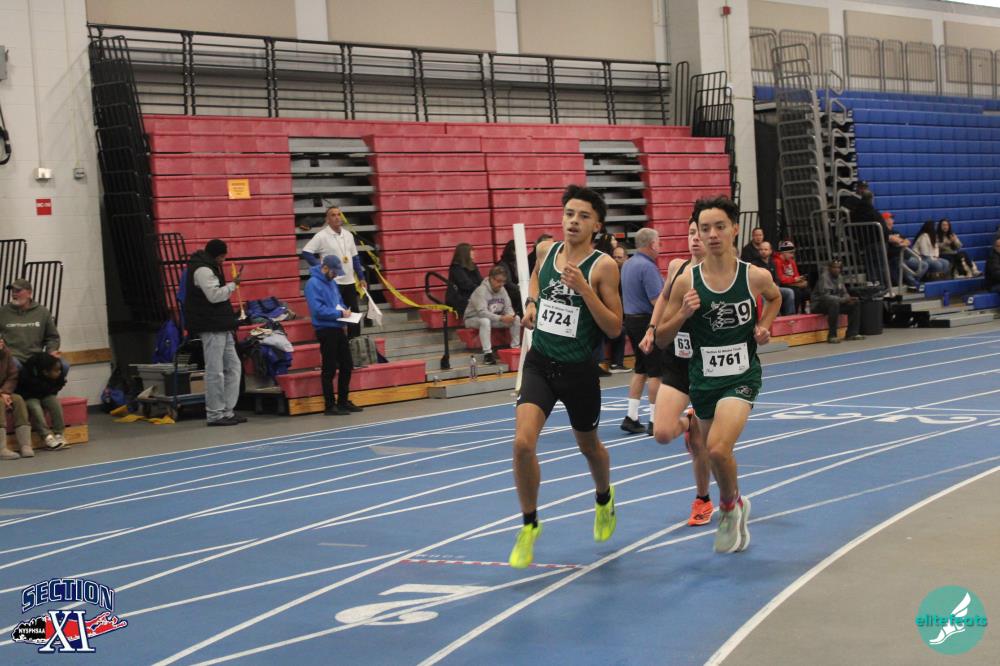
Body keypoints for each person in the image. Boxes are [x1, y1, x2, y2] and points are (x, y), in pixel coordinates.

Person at [655, 196, 781, 553]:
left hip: (742, 376)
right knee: (714, 456)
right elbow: (662, 338)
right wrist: (682, 313)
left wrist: (764, 325)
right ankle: (735, 500)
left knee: (718, 448)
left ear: (734, 229)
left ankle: (726, 509)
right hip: (703, 379)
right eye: (705, 228)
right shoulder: (687, 282)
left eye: (719, 227)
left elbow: (774, 298)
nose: (711, 235)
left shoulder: (754, 276)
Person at [508, 184, 623, 569]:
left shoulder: (603, 266)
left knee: (589, 447)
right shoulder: (547, 250)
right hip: (540, 363)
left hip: (579, 372)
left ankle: (604, 497)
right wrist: (531, 302)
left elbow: (614, 327)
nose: (573, 221)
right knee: (522, 443)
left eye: (583, 216)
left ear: (596, 225)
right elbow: (536, 277)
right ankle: (529, 524)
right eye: (569, 213)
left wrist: (585, 290)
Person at [640, 218, 714, 527]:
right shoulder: (676, 268)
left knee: (705, 446)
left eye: (700, 233)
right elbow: (664, 299)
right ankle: (689, 421)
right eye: (691, 233)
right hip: (678, 360)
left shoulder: (719, 274)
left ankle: (703, 499)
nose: (695, 238)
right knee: (661, 433)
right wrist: (652, 328)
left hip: (709, 366)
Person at [184, 239, 245, 427]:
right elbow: (214, 296)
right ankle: (215, 414)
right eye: (223, 256)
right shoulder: (203, 270)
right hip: (210, 326)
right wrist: (233, 285)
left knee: (233, 367)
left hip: (221, 325)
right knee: (215, 371)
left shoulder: (210, 266)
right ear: (218, 255)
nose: (224, 260)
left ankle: (227, 410)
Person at [620, 228, 664, 436]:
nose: (660, 246)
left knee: (641, 369)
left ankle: (631, 416)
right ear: (652, 244)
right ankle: (655, 420)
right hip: (647, 322)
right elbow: (657, 301)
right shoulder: (648, 267)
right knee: (656, 371)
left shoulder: (628, 264)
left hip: (630, 319)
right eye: (658, 242)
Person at [305, 255, 362, 415]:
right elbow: (317, 310)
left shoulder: (332, 282)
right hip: (325, 329)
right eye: (334, 272)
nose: (336, 275)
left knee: (347, 365)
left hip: (338, 327)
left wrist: (345, 311)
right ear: (325, 268)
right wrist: (339, 313)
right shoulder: (312, 284)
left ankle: (343, 401)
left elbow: (339, 302)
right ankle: (329, 405)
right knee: (329, 368)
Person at [301, 206, 367, 338]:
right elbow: (306, 252)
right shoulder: (321, 236)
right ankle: (339, 339)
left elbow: (355, 257)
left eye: (338, 214)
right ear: (327, 219)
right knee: (336, 311)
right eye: (333, 215)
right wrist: (322, 268)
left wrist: (361, 277)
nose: (337, 217)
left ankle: (355, 341)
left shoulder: (348, 235)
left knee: (353, 312)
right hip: (333, 282)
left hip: (349, 281)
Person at [464, 264, 521, 365]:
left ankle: (516, 348)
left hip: (493, 318)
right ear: (491, 278)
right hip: (473, 318)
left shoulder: (502, 290)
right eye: (498, 281)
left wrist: (510, 315)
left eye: (503, 281)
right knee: (485, 321)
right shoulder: (481, 291)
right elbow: (482, 313)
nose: (501, 284)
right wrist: (501, 318)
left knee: (516, 319)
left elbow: (508, 307)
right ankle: (488, 354)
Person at [0, 279, 62, 366]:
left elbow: (52, 337)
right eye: (13, 291)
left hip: (36, 358)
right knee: (14, 364)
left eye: (18, 291)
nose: (14, 294)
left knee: (64, 366)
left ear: (29, 293)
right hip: (12, 356)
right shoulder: (3, 311)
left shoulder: (42, 312)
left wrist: (51, 351)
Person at [16, 352, 68, 450]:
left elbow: (57, 386)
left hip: (46, 393)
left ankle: (59, 434)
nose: (59, 372)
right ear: (45, 372)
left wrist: (51, 389)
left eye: (59, 370)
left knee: (55, 404)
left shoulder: (58, 376)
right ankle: (47, 436)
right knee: (35, 408)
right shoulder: (26, 375)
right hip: (29, 395)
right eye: (56, 371)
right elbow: (22, 390)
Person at [812, 260, 865, 344]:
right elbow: (825, 297)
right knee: (834, 303)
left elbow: (844, 293)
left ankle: (852, 333)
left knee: (855, 303)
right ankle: (832, 336)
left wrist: (848, 299)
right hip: (819, 305)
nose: (837, 269)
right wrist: (843, 300)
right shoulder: (824, 277)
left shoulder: (840, 277)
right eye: (834, 267)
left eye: (838, 268)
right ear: (829, 268)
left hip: (836, 303)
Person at [0, 334, 34, 460]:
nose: (0, 342)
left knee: (18, 399)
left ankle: (25, 445)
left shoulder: (6, 353)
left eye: (1, 339)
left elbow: (13, 375)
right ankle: (1, 448)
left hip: (3, 391)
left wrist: (5, 392)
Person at [882, 211, 927, 288]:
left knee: (924, 265)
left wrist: (899, 243)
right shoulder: (883, 233)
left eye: (892, 218)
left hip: (905, 256)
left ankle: (914, 281)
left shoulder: (895, 232)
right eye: (890, 218)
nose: (892, 220)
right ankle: (912, 282)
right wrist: (900, 241)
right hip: (895, 258)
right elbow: (893, 240)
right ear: (885, 220)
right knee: (902, 264)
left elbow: (908, 242)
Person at [752, 241, 795, 315]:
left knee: (789, 292)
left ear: (770, 251)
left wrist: (777, 285)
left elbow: (777, 278)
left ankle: (789, 316)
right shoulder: (754, 265)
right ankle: (770, 317)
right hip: (761, 291)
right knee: (764, 297)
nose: (763, 251)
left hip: (773, 287)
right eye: (761, 249)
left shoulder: (772, 262)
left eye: (765, 249)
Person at [445, 243, 482, 319]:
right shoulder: (456, 268)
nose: (473, 253)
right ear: (465, 254)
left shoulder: (473, 266)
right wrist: (481, 290)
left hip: (471, 295)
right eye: (471, 251)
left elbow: (480, 280)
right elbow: (466, 284)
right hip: (459, 297)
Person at [773, 240, 809, 312]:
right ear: (783, 252)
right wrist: (794, 280)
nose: (792, 255)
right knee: (797, 292)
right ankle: (794, 313)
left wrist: (800, 280)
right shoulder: (777, 261)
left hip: (792, 283)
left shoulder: (792, 261)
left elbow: (796, 275)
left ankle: (803, 311)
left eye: (793, 253)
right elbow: (781, 279)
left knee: (807, 291)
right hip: (782, 284)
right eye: (790, 253)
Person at [497, 240, 524, 318]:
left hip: (516, 288)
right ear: (511, 251)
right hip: (507, 291)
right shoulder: (503, 264)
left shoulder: (517, 262)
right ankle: (519, 315)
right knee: (522, 295)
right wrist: (521, 288)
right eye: (516, 251)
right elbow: (508, 283)